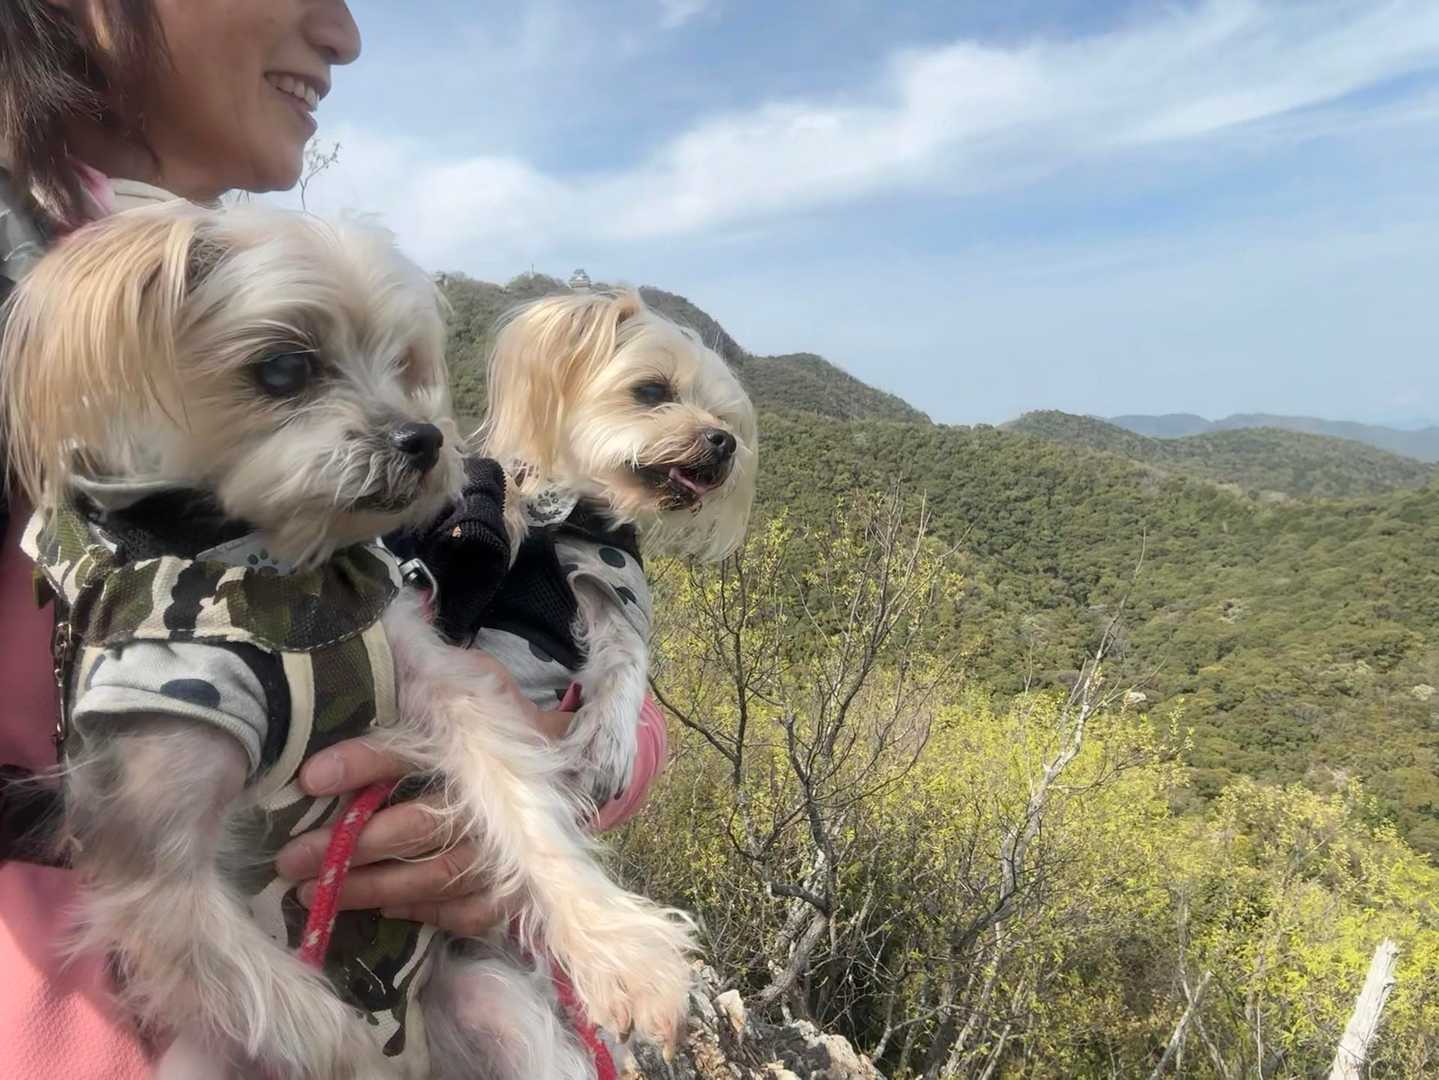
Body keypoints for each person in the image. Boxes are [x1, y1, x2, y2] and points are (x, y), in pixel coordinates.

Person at [0, 3, 666, 1075]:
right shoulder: (91, 308)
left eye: (402, 371)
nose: (345, 32)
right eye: (283, 370)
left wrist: (556, 775)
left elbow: (526, 679)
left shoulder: (267, 279)